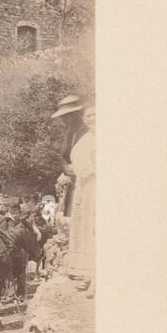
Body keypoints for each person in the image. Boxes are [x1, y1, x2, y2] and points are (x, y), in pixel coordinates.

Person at [54, 95, 95, 291]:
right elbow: (64, 156)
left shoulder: (87, 132)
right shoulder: (69, 132)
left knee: (86, 224)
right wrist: (65, 168)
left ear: (76, 114)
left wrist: (74, 169)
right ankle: (77, 267)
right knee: (76, 222)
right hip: (74, 182)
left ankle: (86, 269)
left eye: (68, 116)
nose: (65, 119)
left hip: (87, 181)